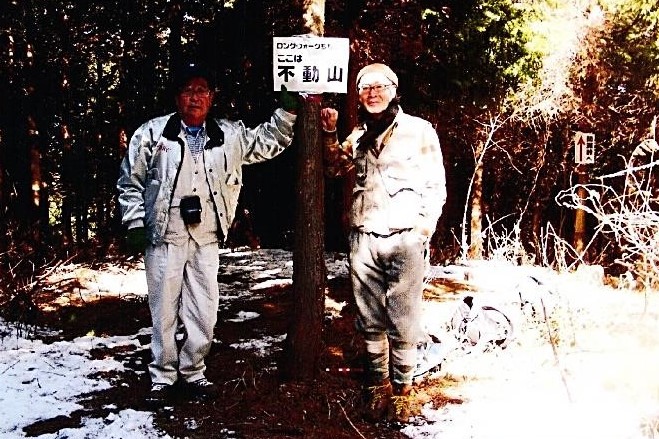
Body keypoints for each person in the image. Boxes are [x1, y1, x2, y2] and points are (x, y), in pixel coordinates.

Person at [117, 62, 297, 404]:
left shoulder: (229, 135)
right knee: (164, 308)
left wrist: (287, 110)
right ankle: (163, 376)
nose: (194, 97)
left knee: (204, 307)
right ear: (177, 97)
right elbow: (130, 182)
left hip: (206, 235)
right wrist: (136, 222)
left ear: (212, 98)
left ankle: (194, 372)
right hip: (163, 234)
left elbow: (268, 141)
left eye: (202, 90)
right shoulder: (152, 134)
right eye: (187, 90)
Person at [320, 63, 446, 423]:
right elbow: (334, 170)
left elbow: (435, 185)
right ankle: (379, 387)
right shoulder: (358, 135)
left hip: (406, 236)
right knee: (369, 318)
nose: (372, 93)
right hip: (364, 236)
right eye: (365, 88)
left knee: (404, 319)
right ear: (359, 96)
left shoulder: (419, 131)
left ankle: (403, 392)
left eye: (380, 86)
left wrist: (424, 229)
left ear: (394, 89)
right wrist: (330, 134)